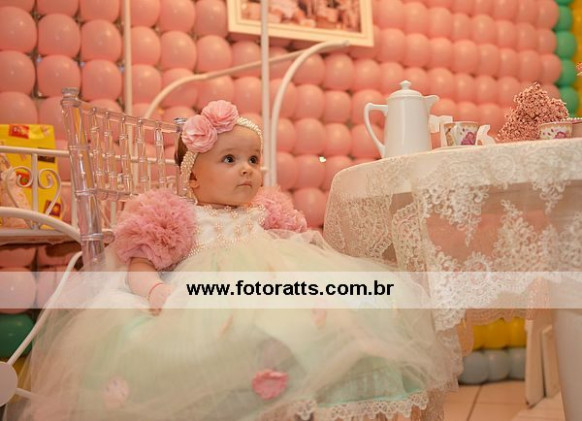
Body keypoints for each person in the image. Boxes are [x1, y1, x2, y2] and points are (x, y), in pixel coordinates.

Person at [7, 101, 458, 421]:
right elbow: (140, 264)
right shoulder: (179, 216)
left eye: (253, 159)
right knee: (237, 333)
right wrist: (158, 292)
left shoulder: (265, 212)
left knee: (350, 304)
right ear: (193, 179)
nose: (247, 168)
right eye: (230, 159)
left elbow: (300, 243)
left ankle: (320, 398)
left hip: (278, 282)